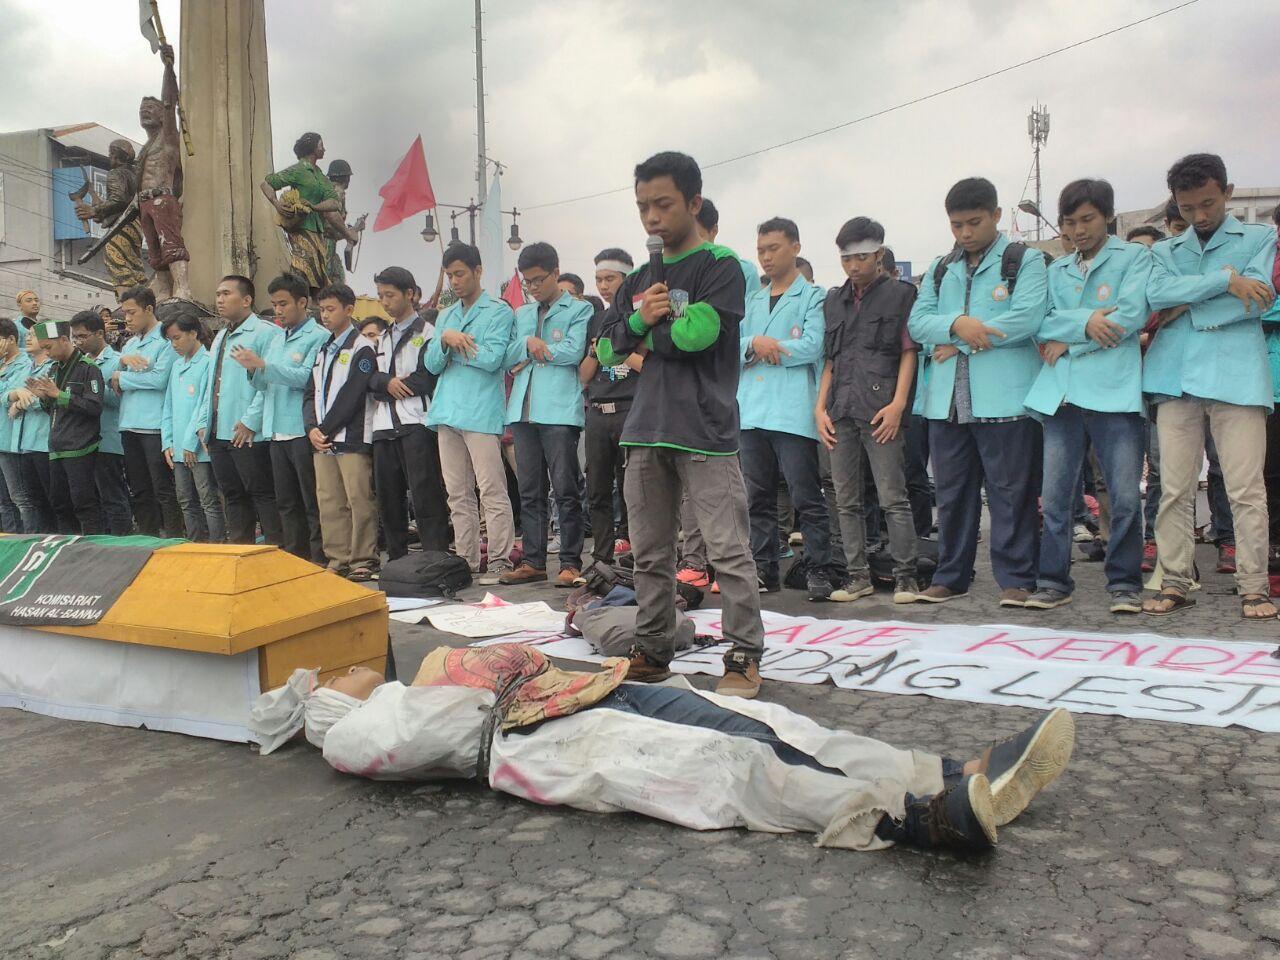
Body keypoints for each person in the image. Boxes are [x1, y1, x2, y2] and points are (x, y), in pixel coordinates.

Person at [252, 648, 1076, 855]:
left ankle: (950, 772)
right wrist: (331, 701)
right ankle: (921, 823)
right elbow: (442, 732)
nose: (355, 666)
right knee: (738, 770)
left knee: (774, 724)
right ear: (330, 703)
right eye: (336, 676)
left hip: (590, 691)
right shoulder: (367, 726)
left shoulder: (406, 687)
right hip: (553, 741)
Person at [597, 151, 764, 698]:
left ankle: (743, 653)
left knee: (727, 550)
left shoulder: (721, 266)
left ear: (693, 203)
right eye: (643, 206)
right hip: (644, 429)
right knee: (649, 554)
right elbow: (605, 349)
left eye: (663, 204)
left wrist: (645, 331)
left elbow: (700, 337)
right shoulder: (640, 278)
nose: (651, 217)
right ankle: (652, 648)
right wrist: (643, 320)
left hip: (705, 429)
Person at [1142, 153, 1277, 620]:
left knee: (1245, 488)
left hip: (1238, 377)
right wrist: (1225, 280)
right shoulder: (1163, 250)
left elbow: (1259, 298)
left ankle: (1254, 586)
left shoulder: (1261, 236)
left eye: (1208, 203)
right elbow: (1156, 298)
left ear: (1228, 192)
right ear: (1174, 204)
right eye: (1187, 206)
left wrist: (1190, 301)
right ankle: (1176, 579)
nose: (1198, 215)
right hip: (1174, 379)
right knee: (1174, 488)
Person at [907, 177, 1050, 606]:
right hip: (947, 404)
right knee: (951, 495)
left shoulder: (1024, 261)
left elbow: (1027, 318)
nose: (965, 233)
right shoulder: (940, 266)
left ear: (996, 215)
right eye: (956, 225)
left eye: (974, 222)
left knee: (1011, 495)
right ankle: (951, 575)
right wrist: (956, 325)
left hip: (1005, 400)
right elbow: (918, 321)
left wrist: (961, 339)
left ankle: (1016, 579)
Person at [1023, 179, 1152, 615]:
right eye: (1070, 222)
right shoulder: (1055, 269)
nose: (1078, 230)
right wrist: (1087, 323)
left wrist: (1072, 337)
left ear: (1108, 217)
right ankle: (1054, 581)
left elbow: (1130, 316)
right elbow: (1040, 323)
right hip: (1062, 396)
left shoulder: (1134, 257)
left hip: (1115, 394)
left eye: (1087, 220)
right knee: (1057, 496)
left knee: (1124, 496)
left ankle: (1124, 583)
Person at [817, 216, 921, 605]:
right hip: (839, 410)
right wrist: (819, 409)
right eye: (846, 259)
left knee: (893, 496)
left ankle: (906, 577)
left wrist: (898, 405)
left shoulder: (900, 295)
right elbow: (831, 359)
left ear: (878, 254)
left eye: (861, 257)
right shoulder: (834, 300)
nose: (853, 266)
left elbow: (909, 353)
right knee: (845, 499)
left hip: (881, 410)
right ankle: (856, 575)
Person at [737, 216, 831, 599]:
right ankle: (764, 568)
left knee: (805, 495)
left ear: (795, 246)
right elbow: (733, 344)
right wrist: (752, 344)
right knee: (756, 497)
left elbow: (813, 345)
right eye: (760, 250)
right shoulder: (752, 299)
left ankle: (819, 569)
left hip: (792, 410)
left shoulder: (815, 296)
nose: (766, 257)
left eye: (773, 248)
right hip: (752, 410)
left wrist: (768, 348)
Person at [425, 243, 517, 585]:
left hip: (480, 410)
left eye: (460, 273)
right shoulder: (446, 315)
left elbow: (492, 359)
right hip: (447, 409)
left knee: (491, 488)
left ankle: (499, 559)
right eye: (449, 275)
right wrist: (446, 341)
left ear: (478, 271)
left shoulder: (499, 311)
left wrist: (454, 346)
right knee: (457, 492)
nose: (454, 282)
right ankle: (465, 559)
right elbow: (431, 364)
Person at [500, 242, 591, 587]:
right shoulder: (521, 313)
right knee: (529, 489)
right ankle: (534, 561)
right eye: (528, 282)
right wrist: (526, 346)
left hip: (558, 411)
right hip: (522, 411)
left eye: (539, 280)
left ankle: (570, 562)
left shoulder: (578, 310)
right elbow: (506, 357)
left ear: (555, 273)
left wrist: (541, 349)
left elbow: (573, 351)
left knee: (566, 488)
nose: (534, 287)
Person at [235, 273, 331, 563]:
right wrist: (253, 370)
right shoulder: (277, 339)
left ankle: (319, 557)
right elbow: (264, 385)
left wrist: (264, 365)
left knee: (311, 500)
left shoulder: (319, 337)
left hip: (302, 429)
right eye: (274, 304)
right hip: (276, 430)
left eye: (283, 304)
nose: (277, 311)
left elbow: (307, 379)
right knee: (286, 502)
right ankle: (295, 557)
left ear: (303, 302)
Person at [194, 275, 285, 546]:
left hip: (247, 432)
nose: (219, 299)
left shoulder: (267, 333)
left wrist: (250, 421)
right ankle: (240, 551)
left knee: (262, 493)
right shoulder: (221, 335)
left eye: (226, 294)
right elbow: (210, 383)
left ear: (246, 300)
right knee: (231, 494)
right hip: (218, 431)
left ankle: (275, 550)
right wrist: (203, 422)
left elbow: (269, 382)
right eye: (218, 294)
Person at [367, 266, 449, 559]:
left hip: (417, 422)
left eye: (390, 295)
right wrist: (386, 383)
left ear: (410, 294)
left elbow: (427, 377)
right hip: (383, 425)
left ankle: (435, 555)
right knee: (388, 497)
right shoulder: (382, 336)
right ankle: (397, 558)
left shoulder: (428, 333)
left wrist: (391, 384)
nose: (385, 301)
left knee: (425, 491)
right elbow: (370, 378)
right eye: (380, 296)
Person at [305, 284, 380, 582]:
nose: (325, 315)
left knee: (358, 499)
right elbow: (310, 392)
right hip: (322, 439)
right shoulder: (323, 348)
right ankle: (337, 557)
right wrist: (311, 427)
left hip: (351, 437)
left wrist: (325, 428)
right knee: (329, 500)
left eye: (331, 309)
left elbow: (353, 394)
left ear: (349, 310)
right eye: (322, 309)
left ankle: (363, 558)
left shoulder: (362, 347)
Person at [581, 247, 640, 566]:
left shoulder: (641, 315)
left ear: (627, 278)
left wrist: (615, 349)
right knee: (597, 489)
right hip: (598, 412)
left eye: (610, 279)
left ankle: (636, 552)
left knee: (634, 489)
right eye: (599, 280)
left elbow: (652, 366)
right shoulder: (596, 319)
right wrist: (595, 352)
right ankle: (601, 558)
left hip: (631, 409)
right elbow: (584, 376)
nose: (604, 286)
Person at [23, 318, 105, 534]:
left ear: (63, 339)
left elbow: (94, 407)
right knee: (59, 504)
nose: (47, 353)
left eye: (48, 347)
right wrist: (45, 398)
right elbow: (53, 408)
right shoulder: (53, 370)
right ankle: (67, 549)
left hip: (80, 447)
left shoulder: (88, 368)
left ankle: (93, 549)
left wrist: (59, 395)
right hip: (56, 447)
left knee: (84, 503)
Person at [115, 285, 182, 537]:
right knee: (139, 489)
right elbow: (111, 375)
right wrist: (121, 364)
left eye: (132, 313)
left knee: (162, 488)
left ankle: (174, 537)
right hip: (129, 424)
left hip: (154, 425)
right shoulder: (130, 343)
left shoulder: (166, 340)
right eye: (124, 314)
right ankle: (147, 537)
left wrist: (122, 378)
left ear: (150, 309)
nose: (127, 319)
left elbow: (159, 379)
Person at [161, 315, 225, 542]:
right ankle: (195, 544)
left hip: (199, 447)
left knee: (208, 500)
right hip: (177, 448)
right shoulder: (177, 365)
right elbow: (168, 406)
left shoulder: (208, 361)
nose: (174, 344)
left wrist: (190, 443)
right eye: (170, 340)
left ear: (194, 333)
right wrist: (167, 442)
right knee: (185, 501)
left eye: (177, 338)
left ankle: (217, 545)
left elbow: (204, 406)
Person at [136, 43, 191, 301]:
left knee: (172, 245)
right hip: (144, 202)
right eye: (142, 110)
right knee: (155, 253)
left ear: (161, 117)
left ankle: (182, 289)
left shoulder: (168, 137)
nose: (145, 112)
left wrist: (168, 68)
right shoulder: (145, 147)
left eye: (151, 109)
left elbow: (170, 102)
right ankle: (165, 292)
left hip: (162, 198)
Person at [70, 312, 132, 535]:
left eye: (83, 336)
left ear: (99, 333)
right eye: (75, 337)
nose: (79, 342)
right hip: (84, 441)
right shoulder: (79, 363)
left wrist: (88, 392)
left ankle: (122, 543)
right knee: (92, 499)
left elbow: (120, 398)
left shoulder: (117, 360)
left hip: (109, 439)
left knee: (113, 497)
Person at [261, 133, 343, 296]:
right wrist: (277, 204)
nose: (324, 149)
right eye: (321, 145)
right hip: (300, 225)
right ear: (312, 148)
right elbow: (267, 184)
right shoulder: (299, 170)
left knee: (319, 270)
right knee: (303, 265)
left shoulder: (320, 176)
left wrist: (314, 206)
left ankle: (309, 302)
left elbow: (335, 203)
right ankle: (295, 298)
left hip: (317, 229)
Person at [74, 140, 147, 299]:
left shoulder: (115, 173)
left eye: (110, 155)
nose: (109, 159)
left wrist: (94, 210)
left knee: (116, 262)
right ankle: (142, 299)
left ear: (114, 156)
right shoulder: (135, 173)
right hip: (136, 224)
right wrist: (99, 213)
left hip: (122, 225)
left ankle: (129, 304)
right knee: (134, 263)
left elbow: (118, 200)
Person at [12, 331, 56, 531]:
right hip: (26, 443)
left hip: (44, 441)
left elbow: (46, 399)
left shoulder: (52, 366)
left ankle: (56, 539)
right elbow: (9, 392)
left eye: (34, 335)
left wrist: (20, 404)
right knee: (35, 499)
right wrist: (17, 398)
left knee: (52, 499)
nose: (29, 338)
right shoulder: (27, 367)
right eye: (28, 334)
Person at [0, 319, 35, 531]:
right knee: (3, 502)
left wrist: (9, 394)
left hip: (10, 439)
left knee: (20, 498)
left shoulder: (25, 363)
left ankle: (28, 540)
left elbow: (13, 393)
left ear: (11, 339)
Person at [321, 159, 366, 285]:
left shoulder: (326, 189)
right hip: (326, 246)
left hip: (327, 245)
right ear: (345, 178)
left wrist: (352, 230)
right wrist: (351, 232)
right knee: (332, 285)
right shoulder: (337, 192)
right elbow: (330, 229)